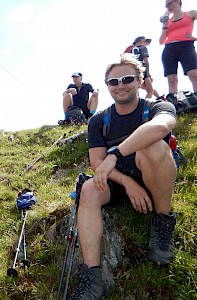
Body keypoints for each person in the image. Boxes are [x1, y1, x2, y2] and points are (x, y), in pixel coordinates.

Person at [68, 54, 177, 299]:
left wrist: (115, 154)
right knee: (88, 190)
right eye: (113, 82)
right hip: (118, 181)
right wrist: (127, 183)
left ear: (139, 81)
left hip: (152, 174)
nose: (120, 85)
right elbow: (97, 162)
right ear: (107, 86)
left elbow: (161, 127)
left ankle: (162, 221)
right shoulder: (98, 120)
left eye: (127, 79)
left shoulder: (157, 107)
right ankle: (91, 276)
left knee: (154, 146)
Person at [159, 0, 197, 103]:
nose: (168, 7)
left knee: (193, 74)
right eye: (166, 5)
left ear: (177, 1)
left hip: (186, 46)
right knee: (172, 78)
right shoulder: (168, 21)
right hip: (169, 48)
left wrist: (195, 38)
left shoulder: (190, 13)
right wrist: (164, 25)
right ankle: (174, 103)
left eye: (169, 3)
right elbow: (161, 41)